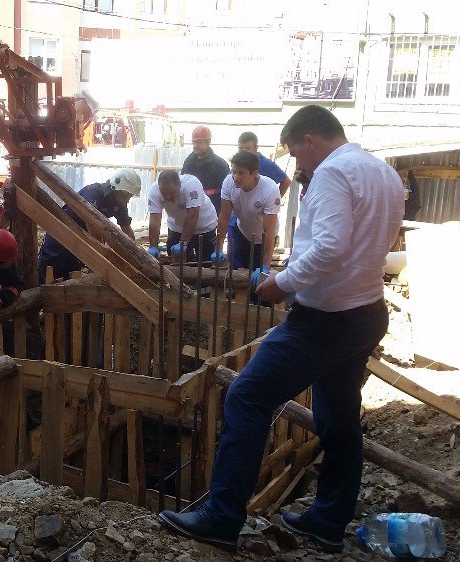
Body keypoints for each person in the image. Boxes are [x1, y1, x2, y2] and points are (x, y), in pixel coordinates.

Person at [157, 105, 404, 554]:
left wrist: (280, 283)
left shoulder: (332, 172)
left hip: (325, 320)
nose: (298, 165)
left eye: (296, 153)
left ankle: (222, 515)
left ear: (310, 139)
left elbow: (328, 247)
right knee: (339, 416)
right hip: (366, 311)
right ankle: (328, 521)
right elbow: (369, 243)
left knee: (247, 396)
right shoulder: (382, 172)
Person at [37, 168, 142, 281]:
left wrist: (134, 255)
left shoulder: (120, 203)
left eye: (129, 197)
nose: (127, 200)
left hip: (80, 238)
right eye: (125, 196)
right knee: (49, 268)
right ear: (114, 188)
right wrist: (102, 255)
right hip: (61, 232)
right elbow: (91, 224)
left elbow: (126, 229)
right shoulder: (93, 192)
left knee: (72, 273)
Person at [212, 151, 281, 288]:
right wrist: (218, 248)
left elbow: (269, 231)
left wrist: (265, 265)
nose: (236, 177)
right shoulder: (228, 182)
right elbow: (224, 216)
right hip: (241, 231)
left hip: (262, 239)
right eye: (234, 172)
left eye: (241, 173)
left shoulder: (269, 189)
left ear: (254, 173)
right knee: (237, 274)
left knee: (259, 280)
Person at [147, 169, 217, 263]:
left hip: (204, 226)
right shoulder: (154, 191)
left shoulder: (192, 185)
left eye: (172, 193)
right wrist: (153, 245)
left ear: (179, 185)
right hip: (177, 227)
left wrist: (183, 243)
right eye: (164, 193)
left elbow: (192, 215)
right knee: (176, 262)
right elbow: (154, 219)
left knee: (205, 262)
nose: (168, 197)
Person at [181, 125, 230, 213]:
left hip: (214, 209)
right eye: (194, 143)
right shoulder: (189, 162)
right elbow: (182, 184)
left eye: (199, 142)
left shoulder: (220, 164)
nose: (195, 146)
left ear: (208, 142)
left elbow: (227, 191)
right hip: (192, 208)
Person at [237, 131, 292, 197]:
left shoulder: (265, 164)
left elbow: (286, 181)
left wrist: (275, 202)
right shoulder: (237, 164)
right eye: (241, 148)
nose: (244, 152)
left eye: (247, 148)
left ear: (256, 148)